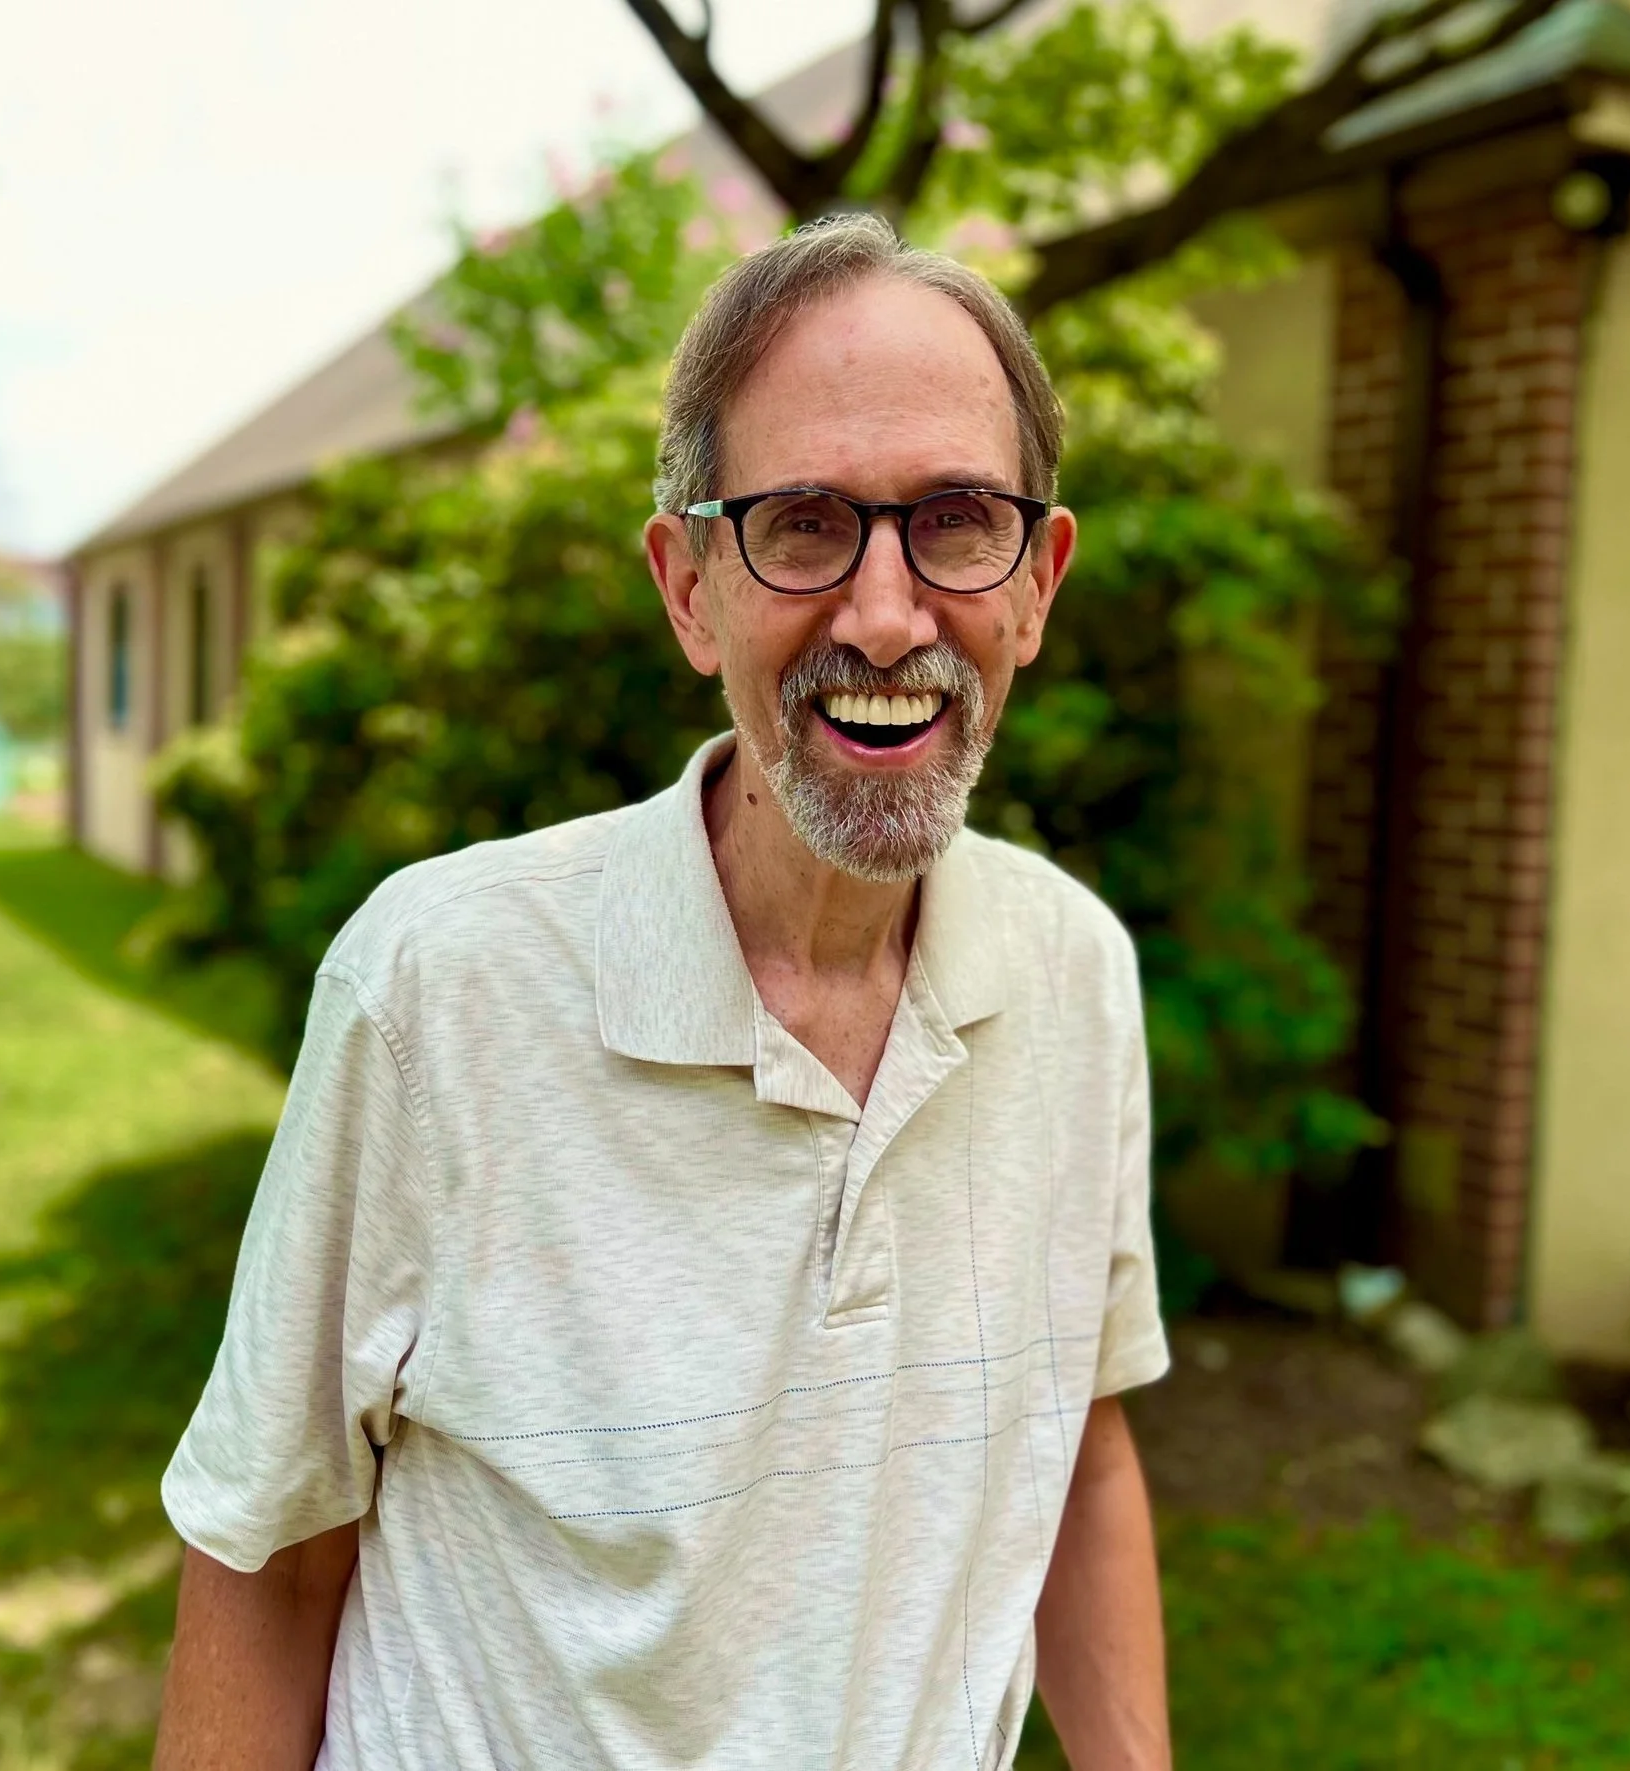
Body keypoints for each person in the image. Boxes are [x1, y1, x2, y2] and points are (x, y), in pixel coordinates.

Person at [153, 213, 1172, 1770]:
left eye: (955, 521)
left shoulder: (1075, 974)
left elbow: (1079, 1446)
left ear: (1035, 581)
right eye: (803, 524)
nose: (886, 616)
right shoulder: (438, 987)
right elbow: (272, 1554)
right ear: (689, 588)